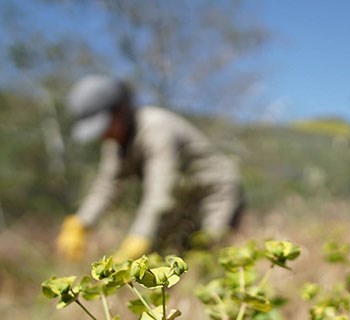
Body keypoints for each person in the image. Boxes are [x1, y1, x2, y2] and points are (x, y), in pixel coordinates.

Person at [55, 74, 244, 261]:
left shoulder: (157, 128)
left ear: (120, 110)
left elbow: (160, 196)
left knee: (208, 256)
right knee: (170, 260)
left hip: (216, 194)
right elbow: (107, 186)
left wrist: (139, 237)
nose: (102, 135)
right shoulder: (115, 144)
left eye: (105, 126)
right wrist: (80, 223)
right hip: (185, 199)